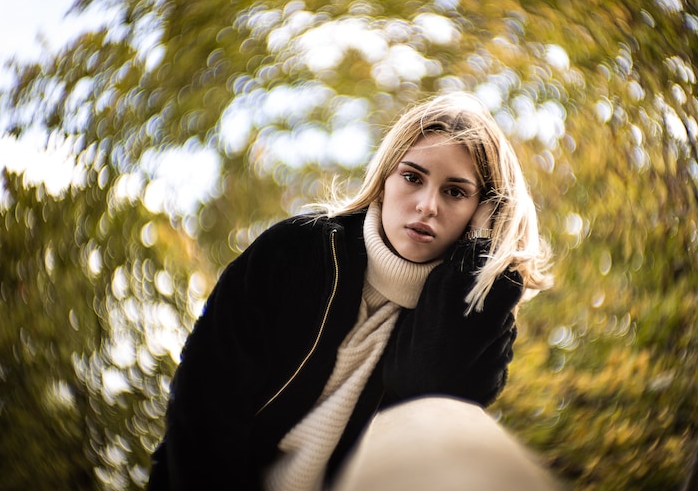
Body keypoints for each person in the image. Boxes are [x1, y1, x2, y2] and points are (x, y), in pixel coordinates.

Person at [147, 92, 553, 491]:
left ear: (484, 209)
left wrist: (481, 254)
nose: (428, 205)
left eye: (456, 192)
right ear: (383, 180)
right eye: (412, 177)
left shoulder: (480, 317)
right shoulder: (298, 252)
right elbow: (204, 406)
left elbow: (429, 388)